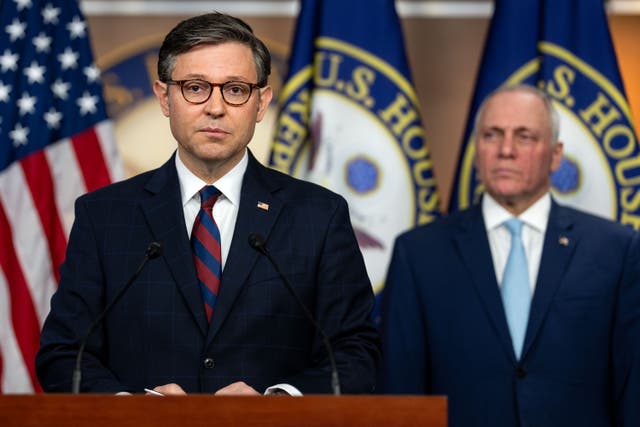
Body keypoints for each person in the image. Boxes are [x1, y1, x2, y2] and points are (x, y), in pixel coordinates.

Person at [36, 12, 380, 396]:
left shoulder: (318, 216)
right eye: (195, 88)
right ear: (164, 97)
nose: (215, 108)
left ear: (261, 103)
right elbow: (63, 354)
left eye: (235, 90)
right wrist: (131, 409)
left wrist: (278, 402)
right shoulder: (104, 217)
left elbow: (356, 353)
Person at [380, 84, 640, 426]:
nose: (506, 150)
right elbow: (400, 392)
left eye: (524, 136)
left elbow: (632, 387)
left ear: (556, 154)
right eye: (492, 135)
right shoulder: (418, 254)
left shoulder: (615, 249)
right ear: (477, 149)